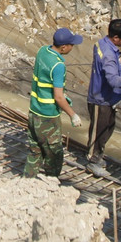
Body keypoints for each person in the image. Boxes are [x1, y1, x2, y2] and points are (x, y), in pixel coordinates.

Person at [23, 27, 84, 178]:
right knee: (54, 154)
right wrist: (73, 115)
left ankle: (27, 180)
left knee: (35, 150)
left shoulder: (42, 51)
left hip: (34, 112)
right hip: (47, 117)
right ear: (64, 47)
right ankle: (51, 182)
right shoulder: (58, 66)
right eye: (71, 45)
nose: (72, 47)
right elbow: (58, 97)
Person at [85, 18, 121, 174]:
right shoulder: (109, 53)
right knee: (98, 132)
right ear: (116, 38)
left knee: (108, 128)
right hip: (101, 98)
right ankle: (92, 160)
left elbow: (114, 63)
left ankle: (98, 155)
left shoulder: (103, 45)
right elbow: (113, 79)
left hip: (107, 98)